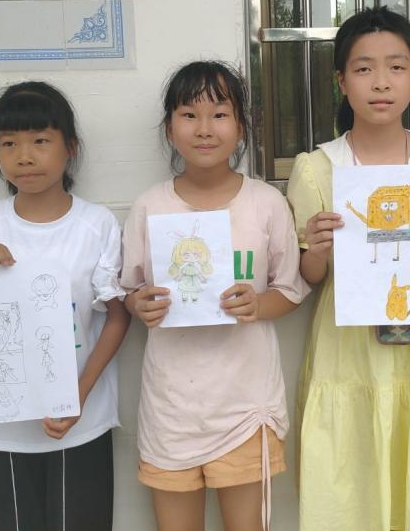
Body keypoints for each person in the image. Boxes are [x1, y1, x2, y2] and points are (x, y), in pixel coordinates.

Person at [286, 6, 410, 530]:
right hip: (346, 348)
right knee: (350, 474)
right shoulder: (317, 168)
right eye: (363, 68)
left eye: (396, 67)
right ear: (341, 81)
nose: (381, 82)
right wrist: (317, 250)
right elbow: (310, 276)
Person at [0, 81, 130, 531]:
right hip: (5, 425)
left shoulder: (96, 224)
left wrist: (78, 397)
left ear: (70, 148)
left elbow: (118, 318)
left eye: (40, 141)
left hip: (81, 420)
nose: (24, 156)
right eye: (9, 143)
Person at [121, 60, 309, 531]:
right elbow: (129, 290)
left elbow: (290, 290)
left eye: (220, 114)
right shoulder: (149, 206)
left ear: (241, 126)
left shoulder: (266, 203)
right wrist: (138, 304)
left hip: (245, 406)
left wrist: (257, 305)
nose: (204, 128)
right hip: (171, 407)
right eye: (189, 115)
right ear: (170, 128)